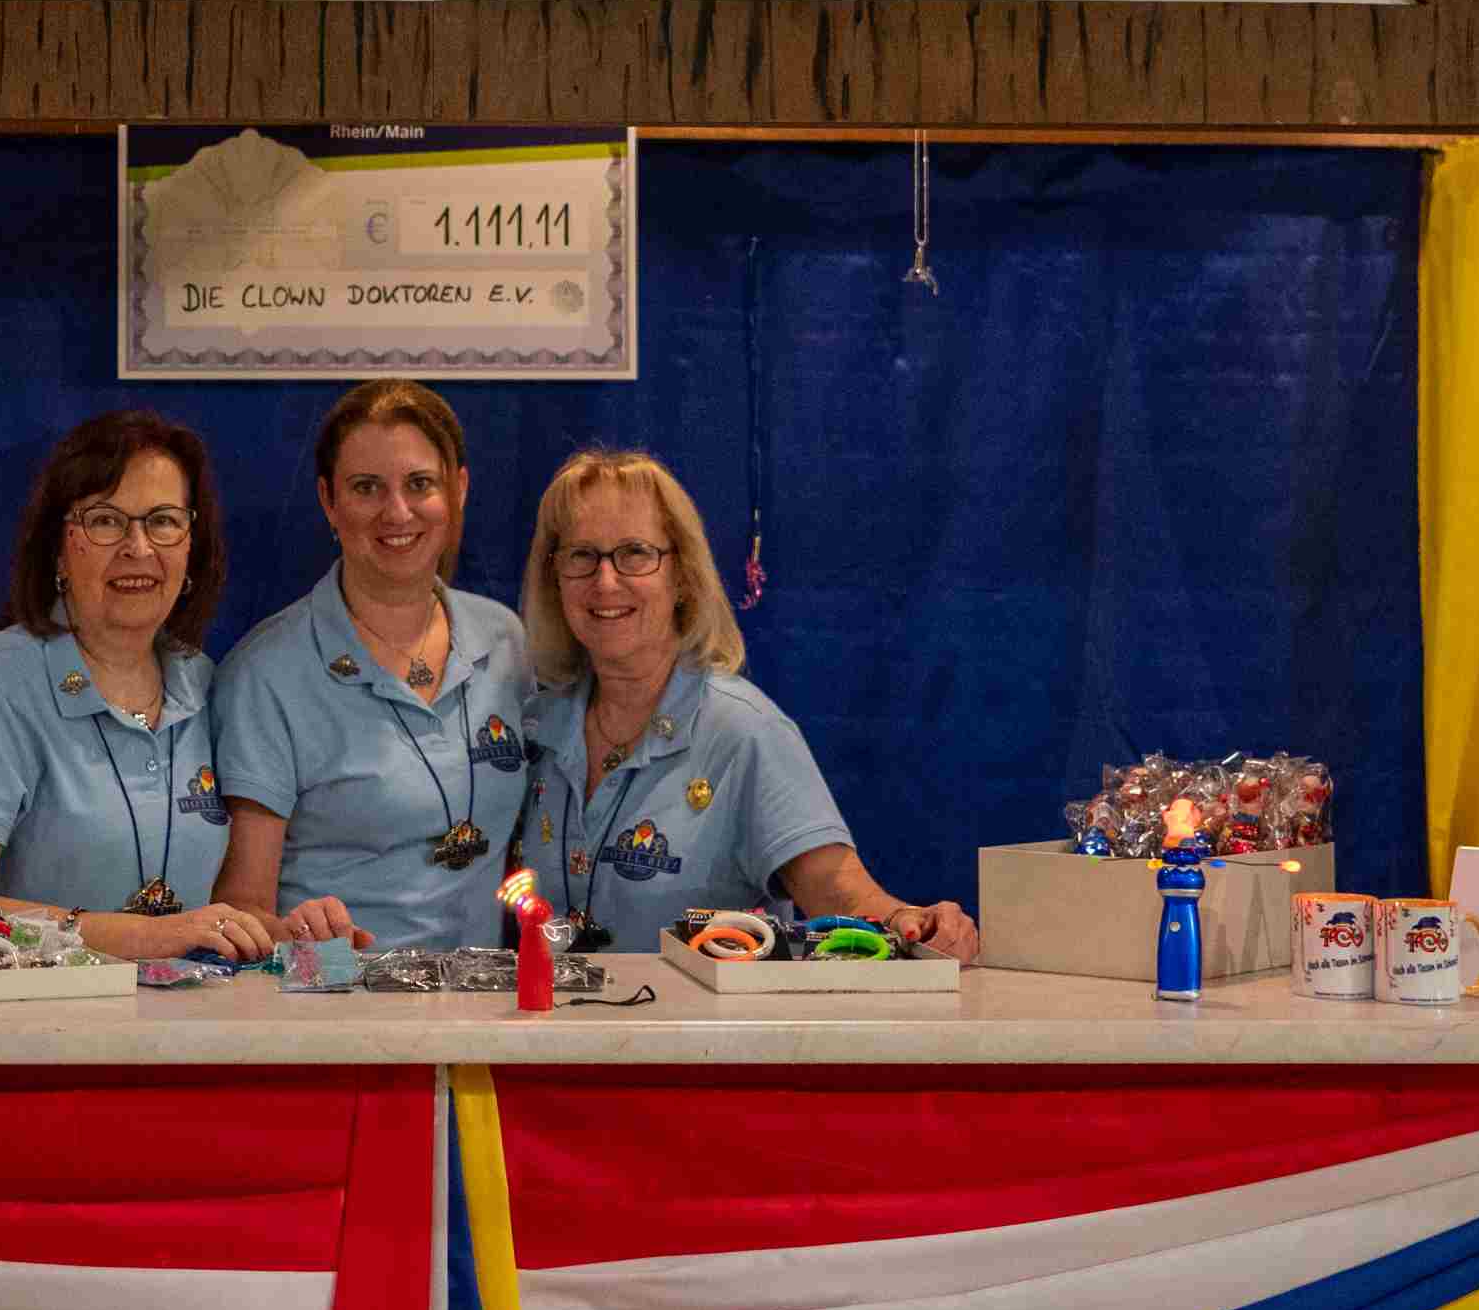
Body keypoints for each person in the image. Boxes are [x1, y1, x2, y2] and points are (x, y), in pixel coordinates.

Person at [515, 448, 977, 959]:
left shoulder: (745, 731)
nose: (605, 581)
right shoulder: (536, 727)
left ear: (682, 577)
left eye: (635, 553)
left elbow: (839, 892)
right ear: (554, 578)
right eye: (581, 556)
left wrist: (911, 923)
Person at [0, 410, 275, 961]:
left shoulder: (208, 683)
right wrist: (140, 936)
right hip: (33, 1011)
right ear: (57, 547)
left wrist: (286, 932)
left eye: (163, 521)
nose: (138, 547)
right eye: (105, 521)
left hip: (189, 1008)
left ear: (192, 546)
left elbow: (220, 910)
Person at [215, 379, 532, 953]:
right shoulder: (265, 673)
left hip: (484, 997)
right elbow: (241, 910)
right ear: (328, 501)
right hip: (339, 997)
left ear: (458, 490)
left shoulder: (505, 640)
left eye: (420, 484)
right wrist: (300, 933)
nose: (397, 512)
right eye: (367, 488)